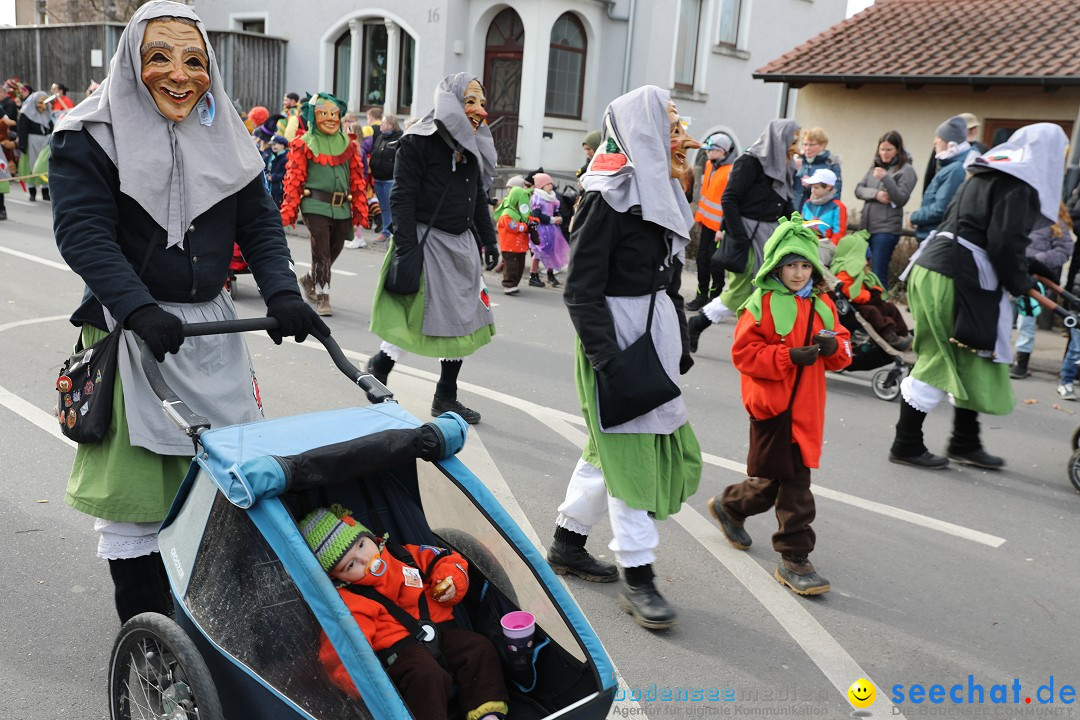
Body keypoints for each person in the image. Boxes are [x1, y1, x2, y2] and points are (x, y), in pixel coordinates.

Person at [50, 0, 329, 624]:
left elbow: (258, 224)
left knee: (228, 494)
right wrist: (140, 308)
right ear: (131, 61)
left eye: (194, 60)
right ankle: (150, 651)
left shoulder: (223, 131)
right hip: (132, 338)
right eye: (160, 58)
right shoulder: (89, 135)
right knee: (140, 509)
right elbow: (84, 235)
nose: (180, 75)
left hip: (213, 334)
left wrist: (283, 292)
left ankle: (211, 636)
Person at [547, 85, 702, 630]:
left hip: (651, 333)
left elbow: (667, 280)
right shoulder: (607, 196)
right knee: (631, 457)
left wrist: (677, 337)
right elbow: (580, 291)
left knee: (605, 449)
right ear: (646, 131)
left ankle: (567, 543)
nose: (688, 137)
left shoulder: (660, 189)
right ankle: (639, 575)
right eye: (674, 125)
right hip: (615, 342)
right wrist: (608, 362)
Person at [889, 123, 1068, 470]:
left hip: (938, 266)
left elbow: (984, 233)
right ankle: (906, 442)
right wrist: (1020, 282)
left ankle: (964, 441)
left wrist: (1029, 267)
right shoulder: (1020, 183)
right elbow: (1002, 243)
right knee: (941, 355)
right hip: (956, 275)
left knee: (969, 350)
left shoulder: (988, 172)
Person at [707, 215, 851, 596]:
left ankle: (731, 506)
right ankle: (795, 558)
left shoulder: (822, 304)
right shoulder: (761, 304)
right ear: (776, 265)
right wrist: (789, 357)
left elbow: (842, 347)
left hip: (807, 409)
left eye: (806, 265)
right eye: (791, 264)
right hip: (772, 407)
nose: (799, 273)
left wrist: (835, 347)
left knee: (778, 478)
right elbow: (744, 354)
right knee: (795, 486)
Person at [366, 73, 499, 425]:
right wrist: (408, 247)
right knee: (414, 315)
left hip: (461, 244)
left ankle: (445, 397)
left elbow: (478, 201)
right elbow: (402, 197)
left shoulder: (471, 147)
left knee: (462, 321)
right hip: (427, 241)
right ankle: (380, 367)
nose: (480, 110)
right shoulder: (418, 141)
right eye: (470, 101)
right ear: (452, 102)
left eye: (482, 103)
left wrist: (490, 240)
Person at [300, 505, 508, 720]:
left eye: (361, 545)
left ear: (369, 536)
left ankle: (487, 712)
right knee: (424, 673)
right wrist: (365, 687)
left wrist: (450, 580)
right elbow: (344, 648)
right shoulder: (350, 600)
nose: (364, 560)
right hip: (401, 656)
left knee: (478, 647)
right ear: (338, 578)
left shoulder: (404, 554)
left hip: (442, 634)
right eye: (351, 564)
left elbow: (447, 559)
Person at [687, 119, 800, 352]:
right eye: (793, 140)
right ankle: (697, 324)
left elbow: (785, 203)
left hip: (769, 235)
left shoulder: (784, 165)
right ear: (780, 138)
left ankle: (754, 343)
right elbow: (729, 199)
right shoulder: (750, 161)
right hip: (747, 235)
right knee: (740, 292)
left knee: (765, 290)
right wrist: (739, 236)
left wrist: (800, 226)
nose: (796, 146)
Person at [280, 92, 371, 316]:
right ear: (314, 116)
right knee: (321, 250)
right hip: (314, 205)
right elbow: (294, 179)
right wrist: (290, 208)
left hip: (341, 207)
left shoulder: (349, 144)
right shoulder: (304, 143)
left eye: (334, 113)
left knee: (335, 248)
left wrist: (360, 207)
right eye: (324, 113)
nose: (330, 118)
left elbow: (357, 179)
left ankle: (310, 278)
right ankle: (323, 296)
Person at [1009, 203, 1074, 379]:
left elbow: (1064, 250)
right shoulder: (1018, 213)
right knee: (1004, 317)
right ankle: (1001, 355)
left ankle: (1021, 362)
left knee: (1026, 321)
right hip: (1011, 272)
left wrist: (1036, 261)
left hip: (1034, 278)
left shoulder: (1056, 223)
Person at [853, 130, 917, 290]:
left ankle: (882, 311)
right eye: (882, 149)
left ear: (898, 150)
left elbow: (901, 198)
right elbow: (858, 190)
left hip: (886, 229)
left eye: (889, 149)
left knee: (878, 274)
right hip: (866, 227)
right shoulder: (875, 166)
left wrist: (886, 178)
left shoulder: (906, 170)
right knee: (861, 271)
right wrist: (876, 194)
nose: (884, 153)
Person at [830, 230, 911, 349]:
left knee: (890, 308)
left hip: (864, 301)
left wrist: (874, 290)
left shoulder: (859, 269)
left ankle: (902, 333)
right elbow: (851, 292)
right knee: (874, 313)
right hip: (852, 308)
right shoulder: (843, 270)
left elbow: (868, 284)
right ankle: (891, 339)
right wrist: (868, 295)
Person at [688, 133, 735, 311]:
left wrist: (723, 228)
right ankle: (701, 296)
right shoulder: (709, 165)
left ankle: (714, 300)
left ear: (721, 151)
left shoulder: (731, 171)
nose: (707, 153)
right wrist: (700, 218)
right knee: (702, 260)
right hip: (706, 223)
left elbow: (730, 201)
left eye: (711, 150)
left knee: (715, 264)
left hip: (719, 228)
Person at [910, 116, 971, 243]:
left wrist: (914, 217)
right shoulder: (950, 166)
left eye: (939, 138)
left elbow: (941, 208)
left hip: (935, 235)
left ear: (949, 143)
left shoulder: (955, 170)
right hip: (933, 233)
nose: (935, 141)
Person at [528, 172, 570, 288]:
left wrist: (559, 217)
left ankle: (550, 275)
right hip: (541, 229)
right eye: (547, 184)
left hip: (552, 229)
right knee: (538, 252)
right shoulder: (537, 197)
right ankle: (533, 275)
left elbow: (556, 211)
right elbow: (537, 215)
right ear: (541, 186)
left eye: (551, 183)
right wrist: (551, 219)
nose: (550, 186)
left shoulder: (552, 197)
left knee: (551, 252)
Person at [492, 185, 535, 295]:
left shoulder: (521, 214)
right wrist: (525, 226)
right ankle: (509, 284)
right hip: (509, 246)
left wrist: (533, 222)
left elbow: (528, 219)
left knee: (519, 266)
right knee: (511, 266)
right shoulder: (507, 214)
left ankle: (514, 283)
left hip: (519, 246)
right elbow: (513, 226)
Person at [369, 112, 403, 244]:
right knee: (383, 207)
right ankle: (386, 231)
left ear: (390, 124)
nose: (381, 125)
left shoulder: (399, 137)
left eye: (383, 123)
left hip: (390, 178)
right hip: (378, 178)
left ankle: (388, 233)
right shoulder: (380, 137)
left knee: (390, 207)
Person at [791, 127, 841, 210]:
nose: (807, 148)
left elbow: (835, 191)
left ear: (823, 145)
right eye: (805, 144)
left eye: (811, 145)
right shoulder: (798, 161)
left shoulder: (831, 164)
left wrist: (812, 185)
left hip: (818, 212)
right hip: (795, 211)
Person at [16, 90, 53, 201]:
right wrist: (23, 145)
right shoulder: (26, 114)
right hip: (31, 143)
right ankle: (32, 192)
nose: (43, 106)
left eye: (45, 103)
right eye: (40, 102)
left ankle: (45, 192)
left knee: (45, 166)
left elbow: (52, 127)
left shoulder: (48, 114)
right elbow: (22, 130)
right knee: (31, 167)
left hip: (45, 143)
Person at [799, 167, 846, 242]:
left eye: (816, 188)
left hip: (825, 248)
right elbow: (800, 225)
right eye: (812, 187)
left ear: (829, 187)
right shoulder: (807, 203)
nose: (813, 190)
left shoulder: (838, 207)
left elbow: (839, 234)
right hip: (805, 244)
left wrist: (827, 248)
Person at [266, 133, 288, 207]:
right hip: (272, 188)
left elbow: (285, 174)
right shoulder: (274, 156)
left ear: (282, 145)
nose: (273, 146)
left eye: (275, 144)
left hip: (280, 189)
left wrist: (273, 177)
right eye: (272, 145)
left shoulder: (285, 158)